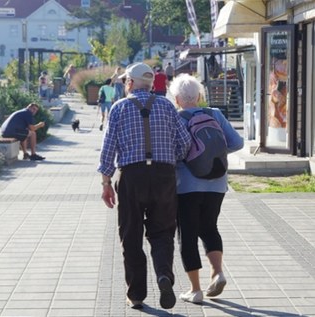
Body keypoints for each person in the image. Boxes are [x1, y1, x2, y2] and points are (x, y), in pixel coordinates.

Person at [98, 63, 191, 310]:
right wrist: (170, 160)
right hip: (163, 175)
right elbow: (185, 143)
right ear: (150, 84)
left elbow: (108, 150)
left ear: (129, 83)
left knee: (131, 235)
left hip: (131, 176)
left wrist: (106, 182)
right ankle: (163, 275)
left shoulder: (119, 108)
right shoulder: (167, 106)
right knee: (162, 232)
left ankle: (136, 294)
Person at [169, 74, 244, 303]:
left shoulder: (176, 118)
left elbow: (174, 152)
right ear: (199, 96)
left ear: (177, 98)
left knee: (188, 235)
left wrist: (192, 161)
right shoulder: (215, 114)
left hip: (187, 185)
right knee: (210, 228)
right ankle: (218, 273)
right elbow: (237, 143)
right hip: (217, 183)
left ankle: (195, 290)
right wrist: (213, 155)